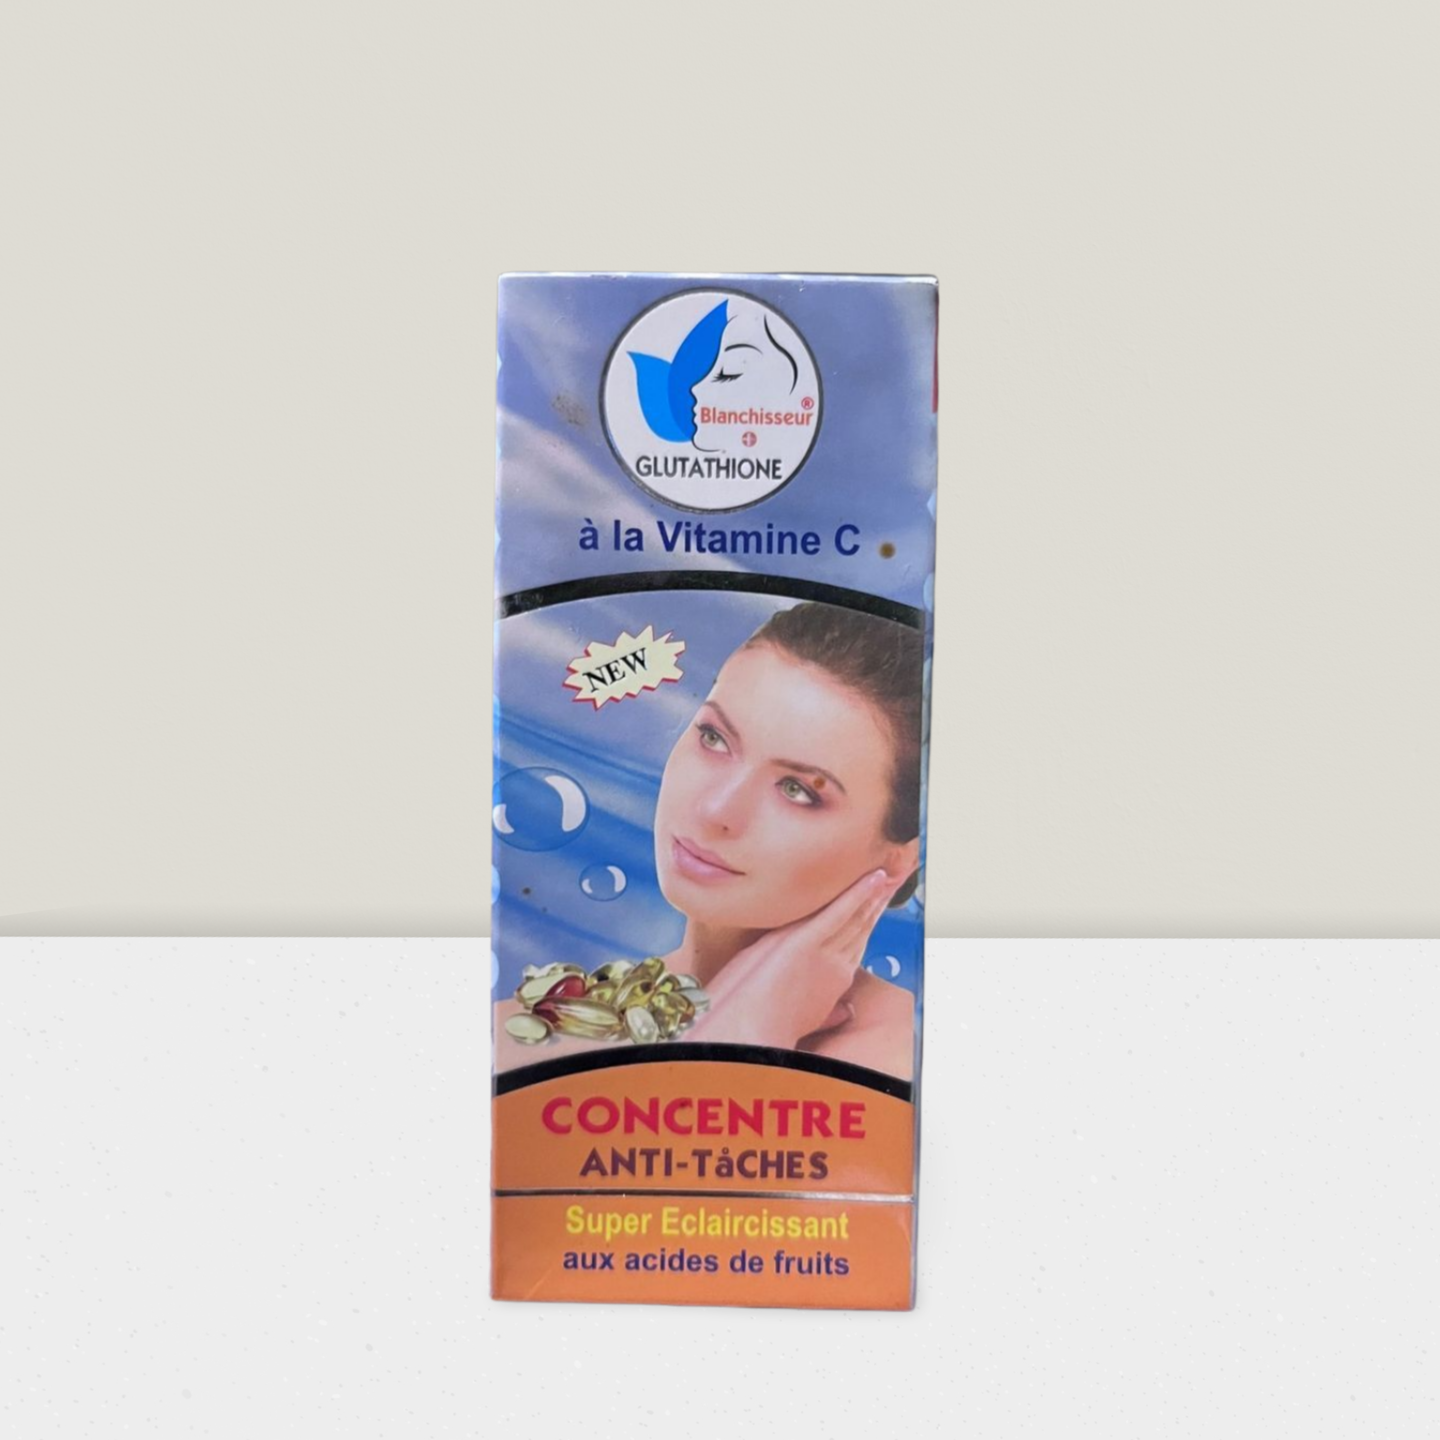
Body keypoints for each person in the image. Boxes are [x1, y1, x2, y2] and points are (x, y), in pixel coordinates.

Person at [494, 601, 923, 1080]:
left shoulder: (906, 1062)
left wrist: (749, 1037)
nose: (715, 810)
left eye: (797, 790)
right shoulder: (543, 1024)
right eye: (715, 738)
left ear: (901, 860)